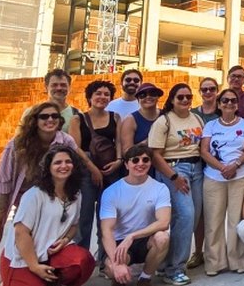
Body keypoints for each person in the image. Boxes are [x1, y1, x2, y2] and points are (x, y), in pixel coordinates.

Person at [0, 102, 80, 286]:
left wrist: (94, 170)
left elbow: (74, 162)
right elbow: (5, 178)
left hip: (33, 194)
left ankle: (19, 271)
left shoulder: (66, 141)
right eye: (44, 116)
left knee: (30, 232)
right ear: (35, 120)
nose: (50, 120)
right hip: (1, 191)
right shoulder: (18, 143)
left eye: (54, 116)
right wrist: (2, 209)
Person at [0, 145, 95, 286]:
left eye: (68, 161)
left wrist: (65, 240)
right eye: (57, 162)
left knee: (83, 261)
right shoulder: (34, 195)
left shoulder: (76, 194)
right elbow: (21, 233)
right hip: (23, 259)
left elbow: (74, 225)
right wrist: (34, 266)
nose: (64, 166)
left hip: (51, 254)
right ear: (48, 168)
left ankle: (56, 282)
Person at [148, 83, 205, 286]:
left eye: (188, 96)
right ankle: (175, 270)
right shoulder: (163, 121)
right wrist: (174, 177)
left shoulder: (196, 118)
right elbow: (155, 155)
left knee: (193, 217)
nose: (185, 100)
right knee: (186, 215)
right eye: (180, 97)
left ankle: (165, 264)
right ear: (172, 99)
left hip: (196, 169)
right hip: (175, 170)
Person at [200, 88, 244, 276]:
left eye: (233, 100)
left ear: (237, 104)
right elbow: (204, 150)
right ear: (219, 103)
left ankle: (238, 260)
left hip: (239, 177)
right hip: (214, 177)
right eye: (225, 100)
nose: (229, 103)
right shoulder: (211, 126)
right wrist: (222, 167)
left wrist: (236, 165)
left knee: (236, 220)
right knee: (213, 221)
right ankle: (214, 263)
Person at [100, 145, 171, 286]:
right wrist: (116, 264)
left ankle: (145, 278)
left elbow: (164, 222)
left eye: (145, 160)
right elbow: (106, 231)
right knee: (111, 269)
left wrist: (132, 236)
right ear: (126, 164)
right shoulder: (111, 192)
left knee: (162, 237)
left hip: (144, 240)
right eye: (135, 160)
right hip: (120, 243)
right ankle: (119, 276)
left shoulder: (160, 188)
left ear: (150, 163)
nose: (141, 164)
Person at [68, 81, 123, 258]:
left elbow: (119, 142)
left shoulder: (115, 117)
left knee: (107, 216)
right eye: (98, 93)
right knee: (84, 216)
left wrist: (120, 160)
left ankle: (105, 259)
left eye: (106, 94)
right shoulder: (78, 119)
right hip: (86, 170)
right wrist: (92, 169)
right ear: (90, 97)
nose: (102, 97)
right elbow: (74, 147)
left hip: (110, 168)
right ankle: (81, 259)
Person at [188, 77, 220, 268]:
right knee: (199, 214)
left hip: (218, 168)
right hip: (197, 166)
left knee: (214, 214)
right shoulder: (192, 114)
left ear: (217, 90)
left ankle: (215, 253)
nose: (208, 92)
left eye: (212, 89)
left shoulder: (223, 112)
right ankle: (198, 251)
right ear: (200, 92)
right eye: (204, 89)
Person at [119, 83, 163, 152]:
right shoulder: (131, 120)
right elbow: (126, 152)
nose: (148, 97)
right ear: (138, 99)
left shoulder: (165, 115)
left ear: (158, 97)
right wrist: (149, 141)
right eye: (143, 95)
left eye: (153, 94)